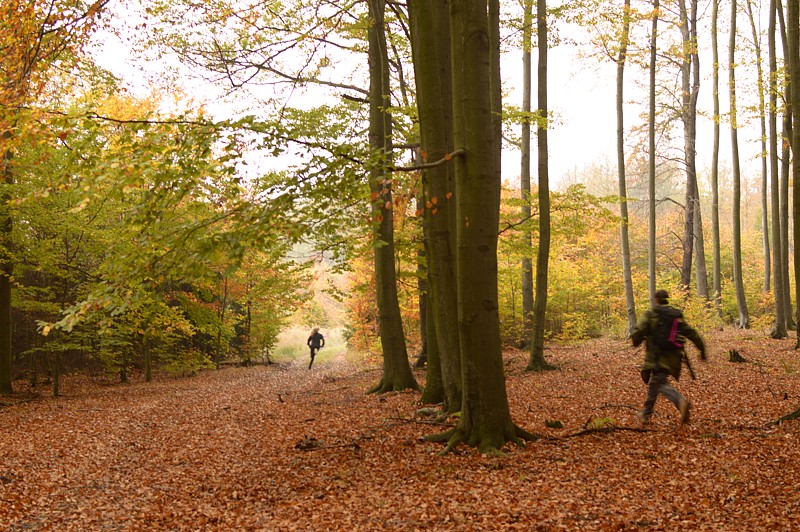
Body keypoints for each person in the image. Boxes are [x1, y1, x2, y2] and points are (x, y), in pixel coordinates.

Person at [630, 289, 706, 424]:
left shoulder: (651, 314)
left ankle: (680, 401)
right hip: (673, 358)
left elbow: (639, 330)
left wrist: (635, 341)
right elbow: (692, 333)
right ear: (667, 299)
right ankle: (645, 414)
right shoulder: (675, 316)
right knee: (656, 383)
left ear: (656, 300)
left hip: (657, 357)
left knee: (659, 384)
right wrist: (702, 349)